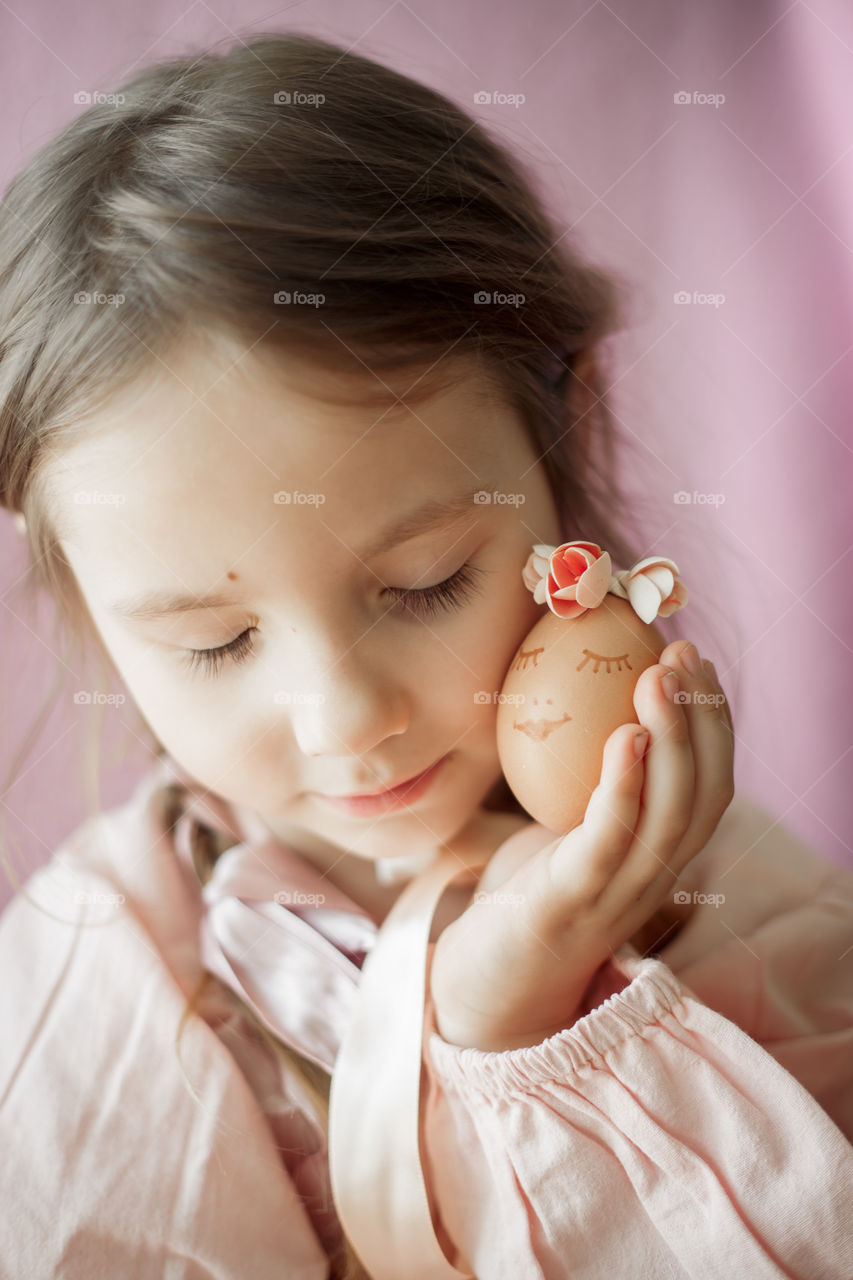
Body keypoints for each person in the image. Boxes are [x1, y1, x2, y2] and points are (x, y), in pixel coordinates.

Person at [0, 30, 851, 1280]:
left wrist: (523, 1029)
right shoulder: (92, 990)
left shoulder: (737, 905)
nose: (345, 718)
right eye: (215, 639)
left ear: (569, 420)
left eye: (424, 582)